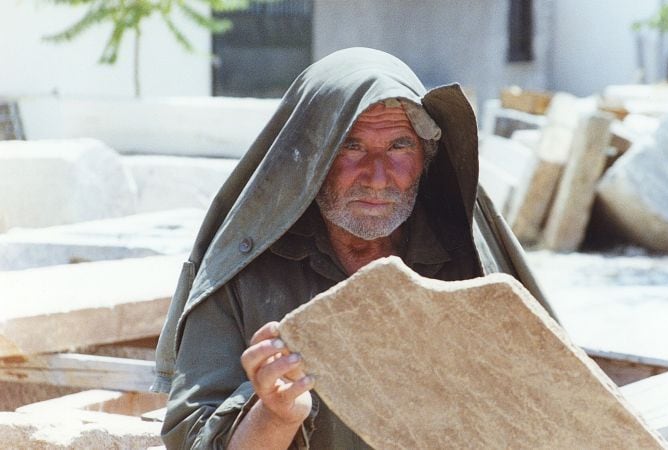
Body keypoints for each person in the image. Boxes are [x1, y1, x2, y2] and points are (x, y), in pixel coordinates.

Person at [154, 47, 554, 449]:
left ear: (426, 157)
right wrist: (275, 415)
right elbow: (191, 441)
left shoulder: (467, 259)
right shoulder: (246, 270)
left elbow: (553, 414)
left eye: (400, 146)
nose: (378, 178)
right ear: (309, 159)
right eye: (351, 147)